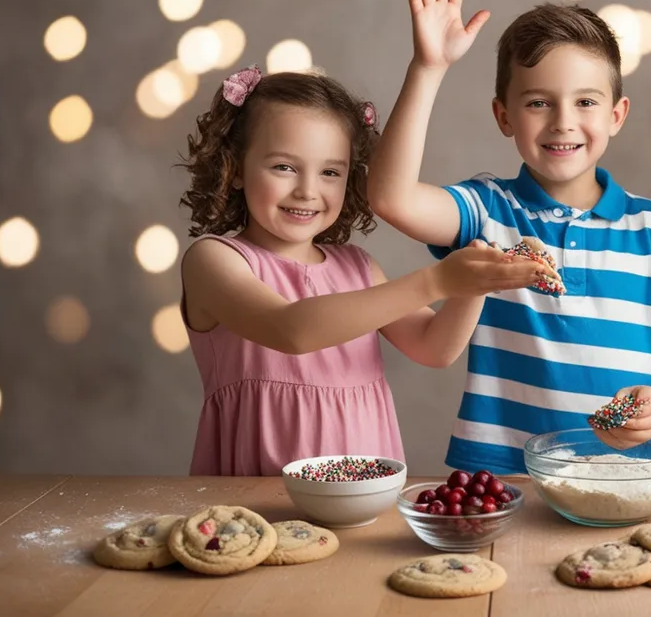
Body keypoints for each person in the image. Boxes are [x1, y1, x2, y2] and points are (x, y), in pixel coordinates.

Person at [369, 0, 651, 474]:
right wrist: (428, 68)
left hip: (625, 473)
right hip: (500, 473)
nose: (563, 122)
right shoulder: (486, 211)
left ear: (616, 115)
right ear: (503, 115)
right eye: (538, 103)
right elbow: (391, 197)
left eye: (585, 102)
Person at [177, 65, 542, 475]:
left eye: (331, 172)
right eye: (284, 167)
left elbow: (435, 347)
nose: (308, 190)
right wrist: (437, 280)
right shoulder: (214, 260)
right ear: (237, 167)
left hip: (364, 495)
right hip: (255, 497)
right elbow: (292, 331)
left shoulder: (358, 267)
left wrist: (477, 281)